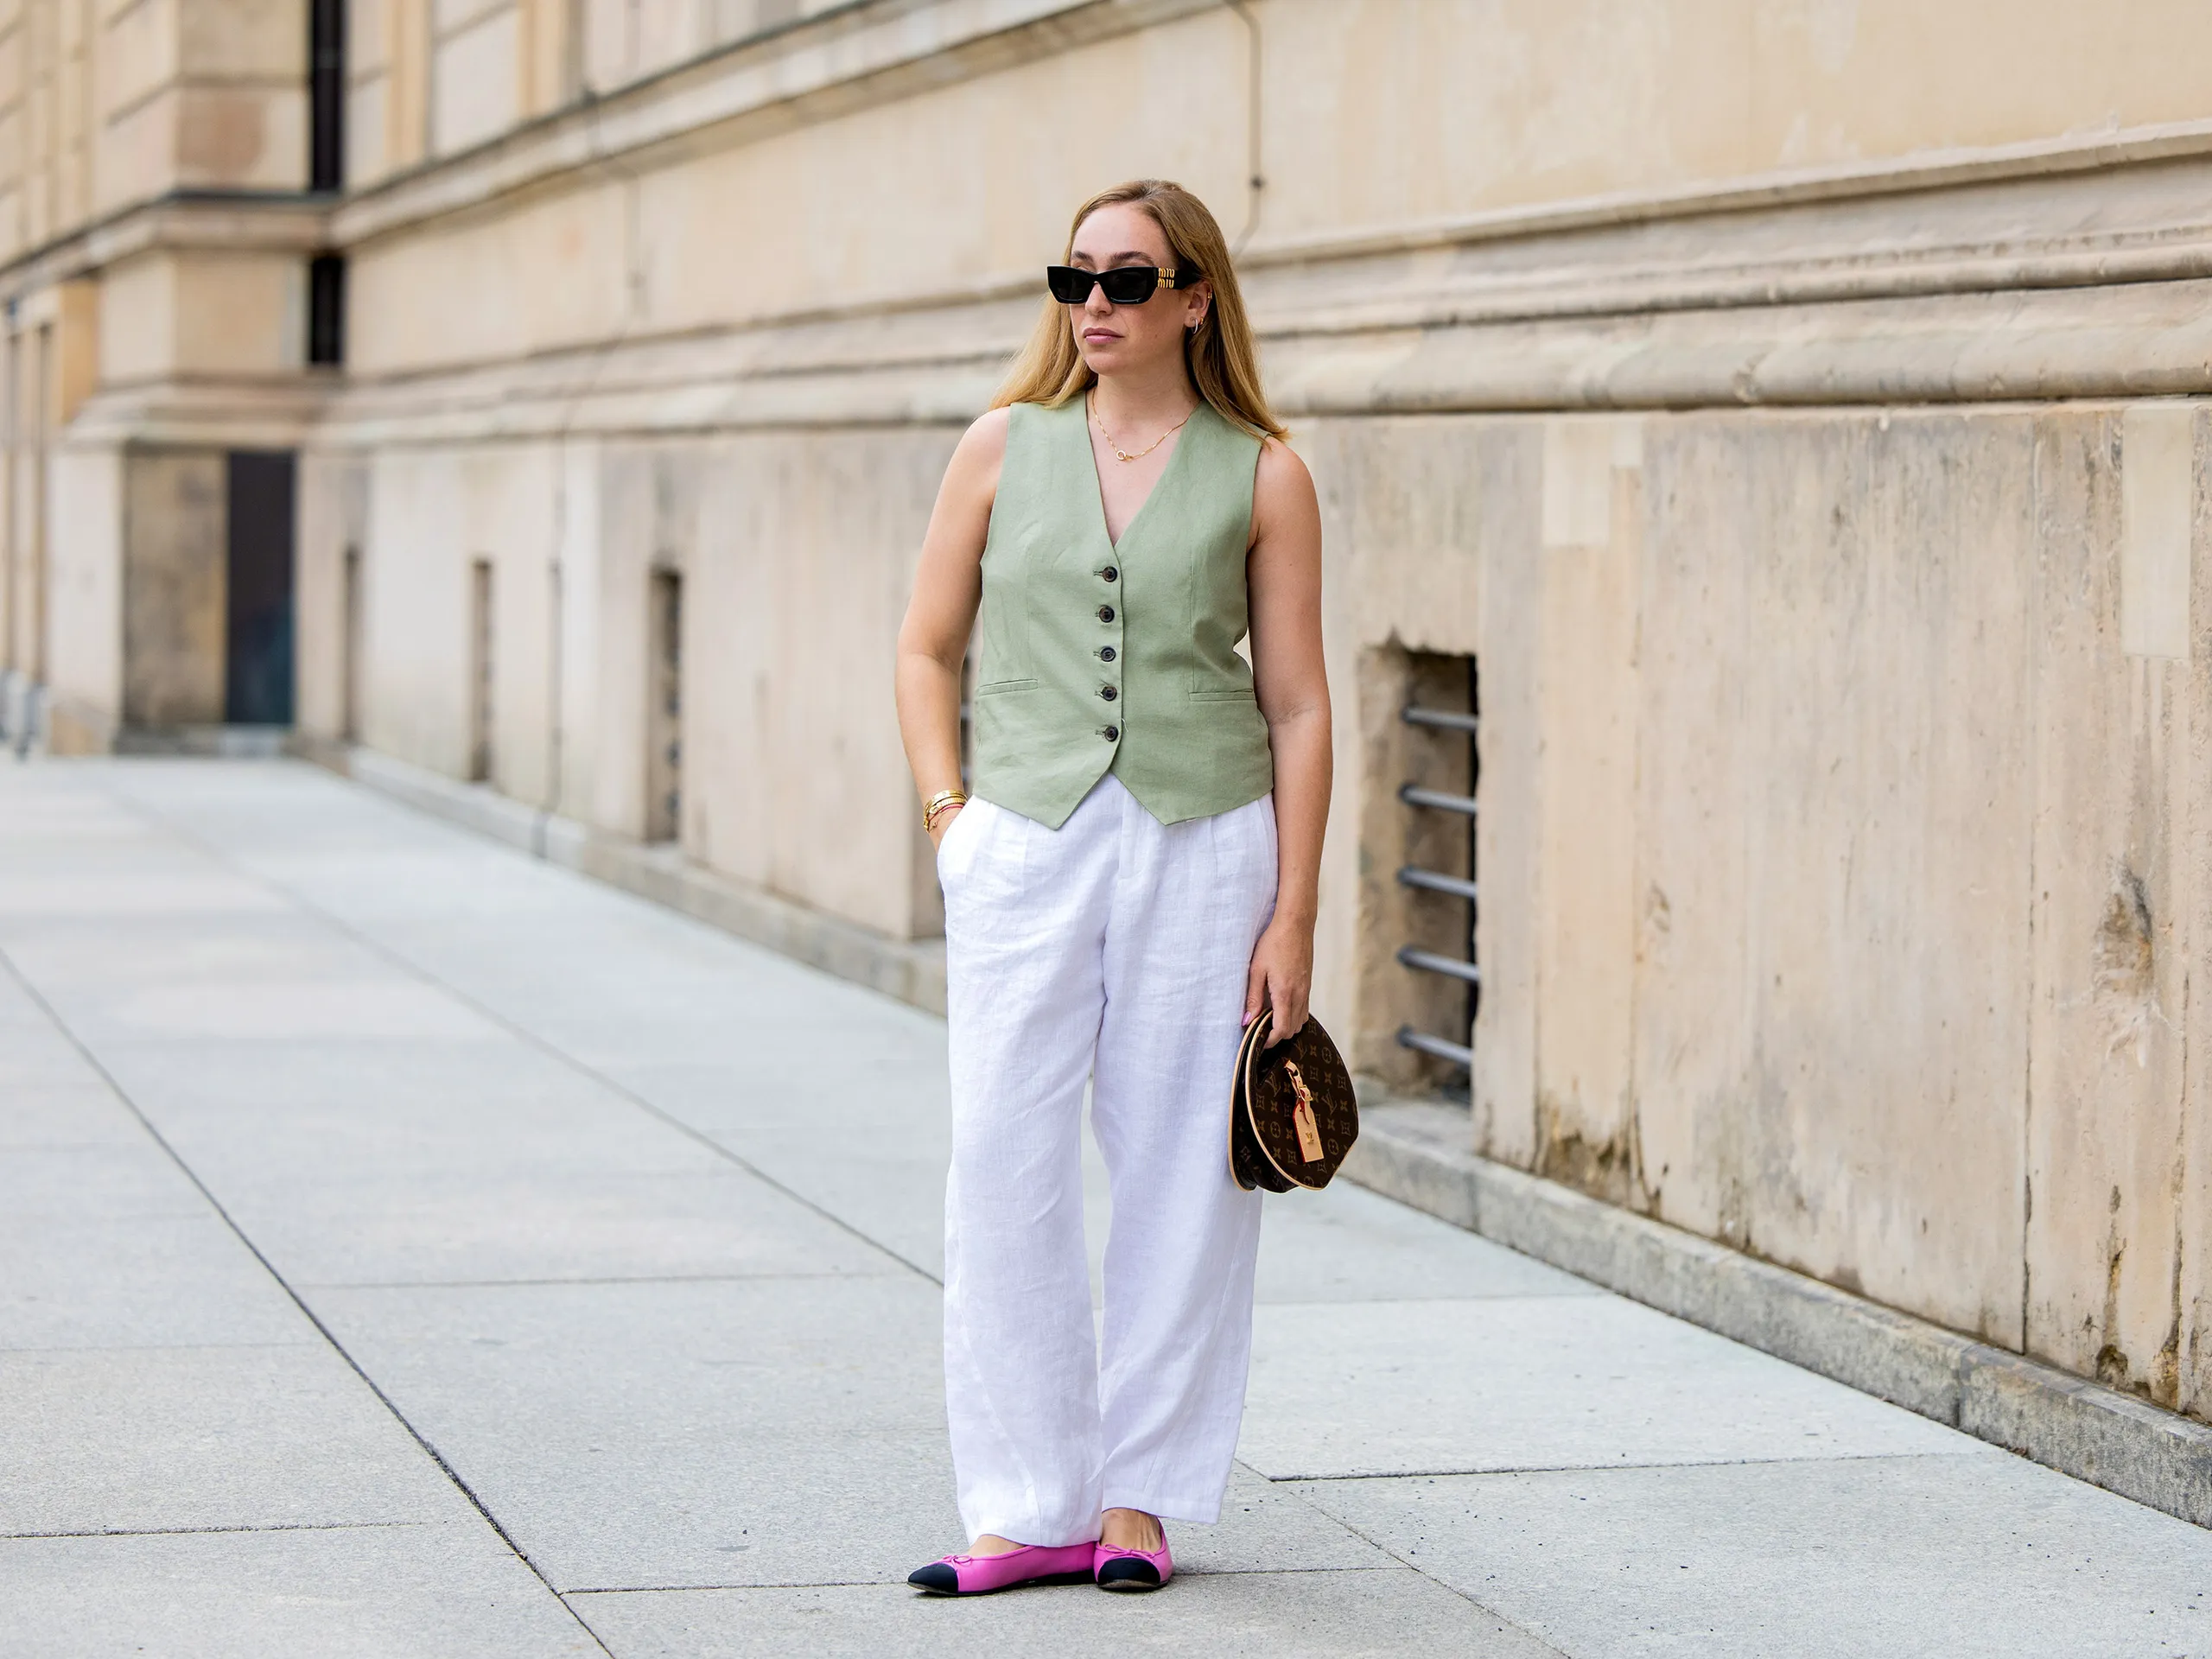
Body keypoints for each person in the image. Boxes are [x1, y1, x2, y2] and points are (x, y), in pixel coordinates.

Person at [893, 178, 1331, 1595]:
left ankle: (1140, 1497)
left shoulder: (1263, 472)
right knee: (998, 1162)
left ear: (1194, 298)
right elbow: (924, 647)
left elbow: (1301, 705)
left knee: (1181, 1178)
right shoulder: (999, 446)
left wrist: (1295, 914)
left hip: (1205, 842)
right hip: (1023, 836)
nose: (1095, 303)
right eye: (1076, 276)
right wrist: (951, 820)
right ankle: (1028, 1505)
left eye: (1130, 280)